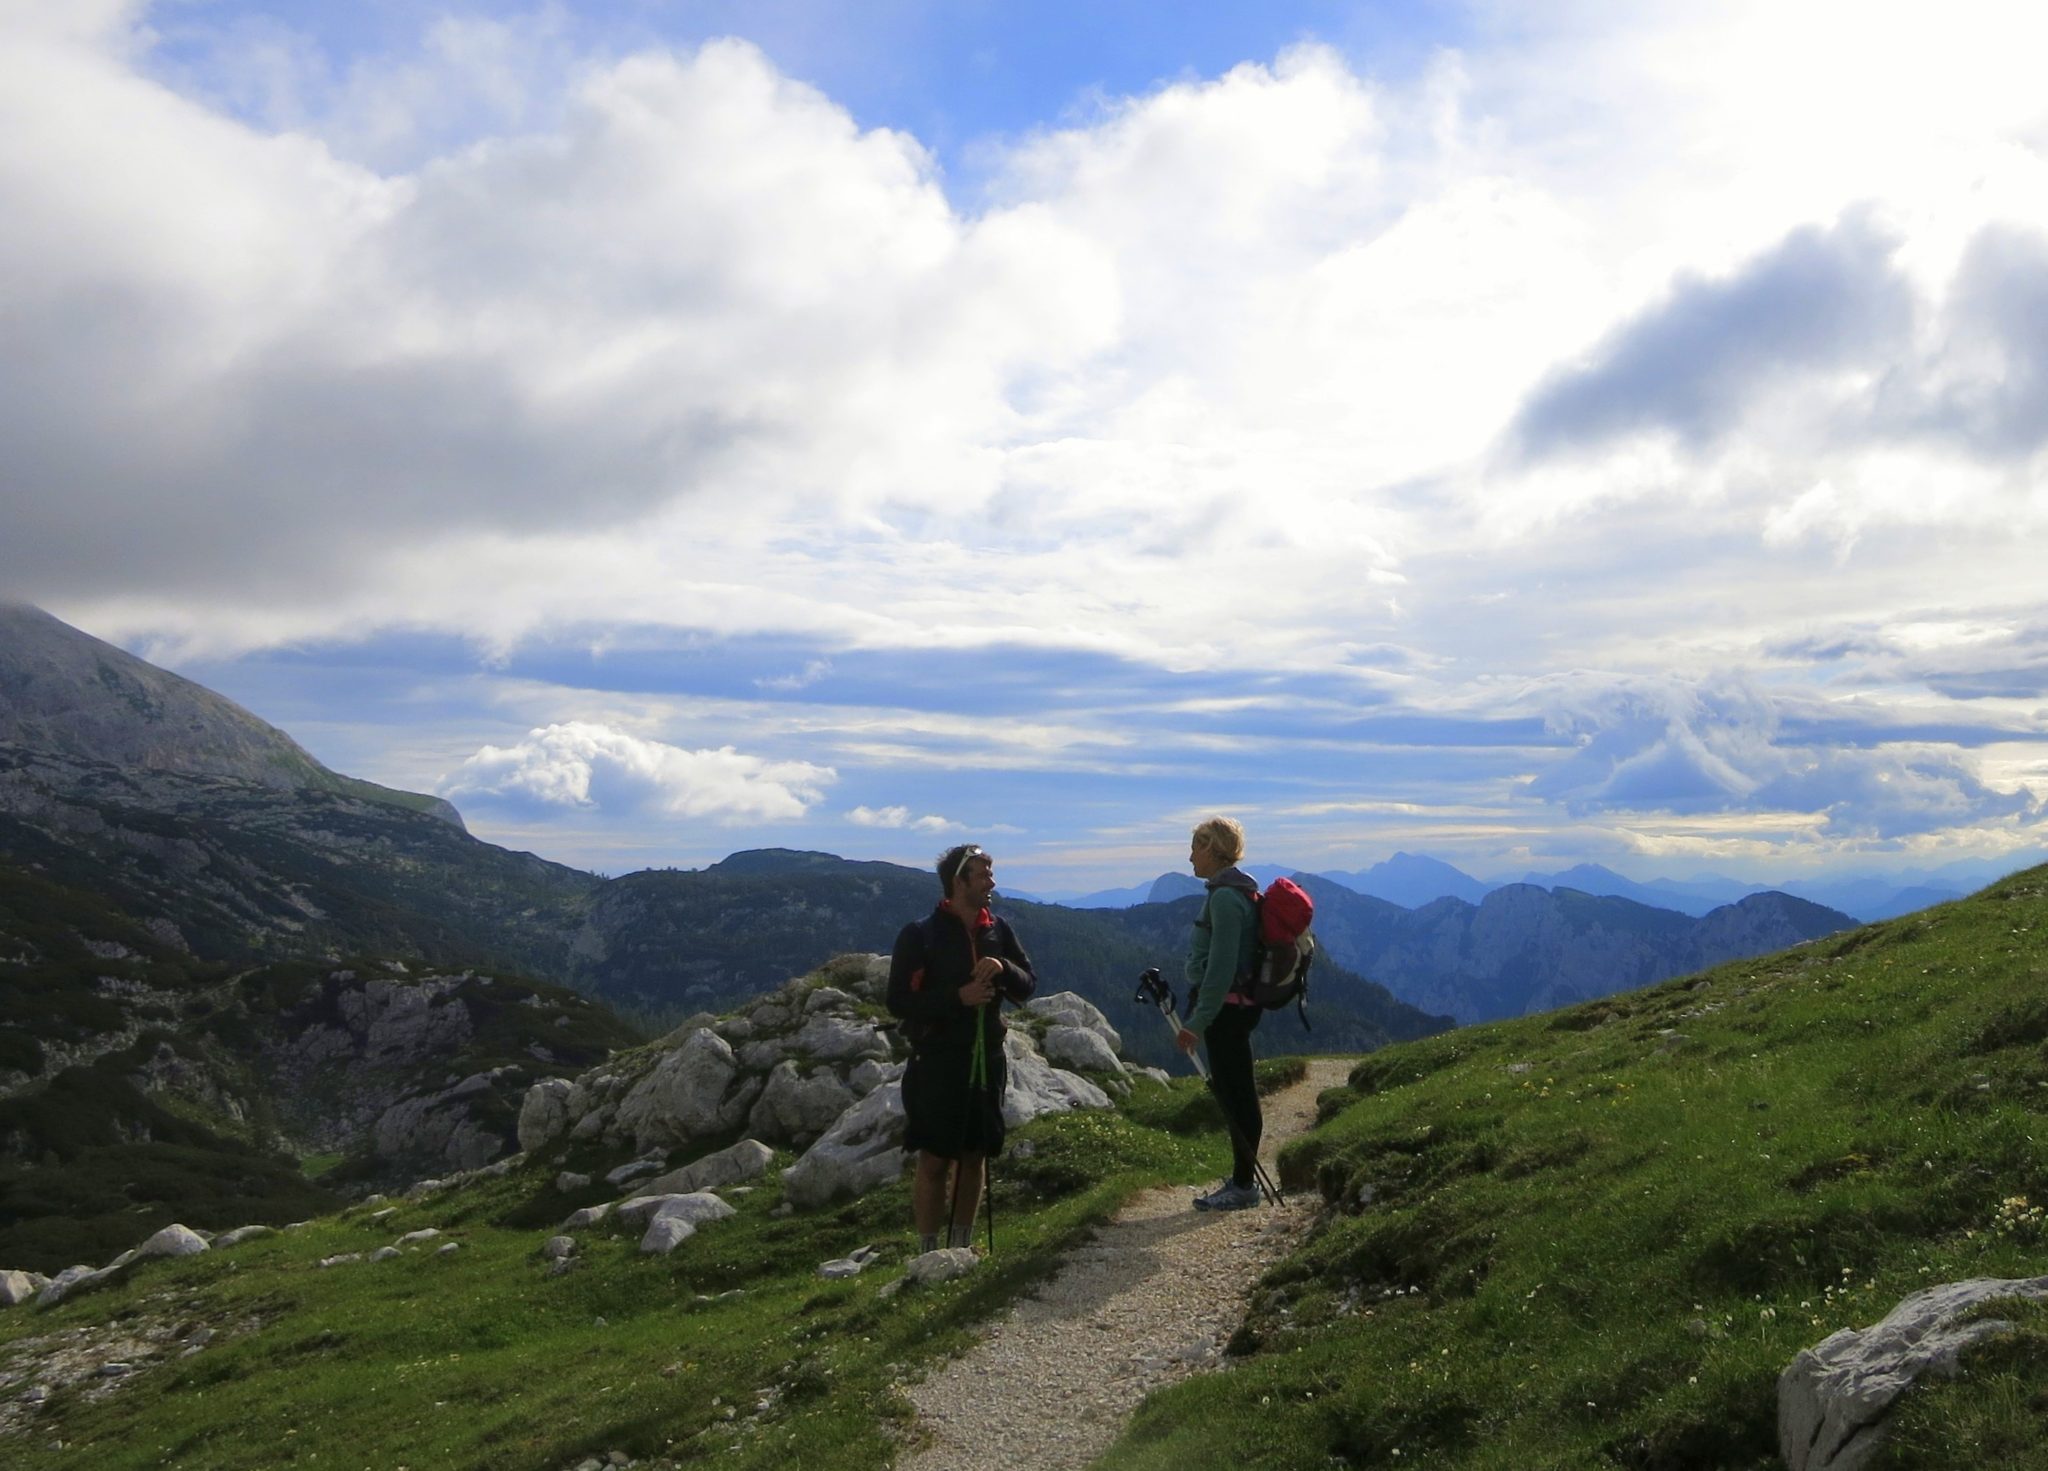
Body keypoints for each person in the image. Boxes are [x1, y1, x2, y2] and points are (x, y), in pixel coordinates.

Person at [887, 842, 1037, 1252]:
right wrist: (959, 998)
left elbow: (1029, 982)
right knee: (935, 1158)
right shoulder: (921, 935)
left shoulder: (998, 929)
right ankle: (929, 1252)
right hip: (938, 1058)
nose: (992, 881)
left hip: (988, 1054)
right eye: (984, 874)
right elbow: (898, 1000)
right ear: (959, 881)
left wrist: (1004, 968)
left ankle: (960, 1248)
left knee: (975, 1154)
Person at [1176, 815, 1264, 1211]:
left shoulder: (1227, 898)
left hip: (1227, 1011)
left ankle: (1244, 1186)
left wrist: (1197, 1022)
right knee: (1234, 1090)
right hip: (1233, 1009)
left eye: (1196, 846)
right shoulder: (1228, 892)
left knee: (1236, 1093)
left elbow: (1221, 969)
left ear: (1213, 849)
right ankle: (1242, 1179)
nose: (1191, 855)